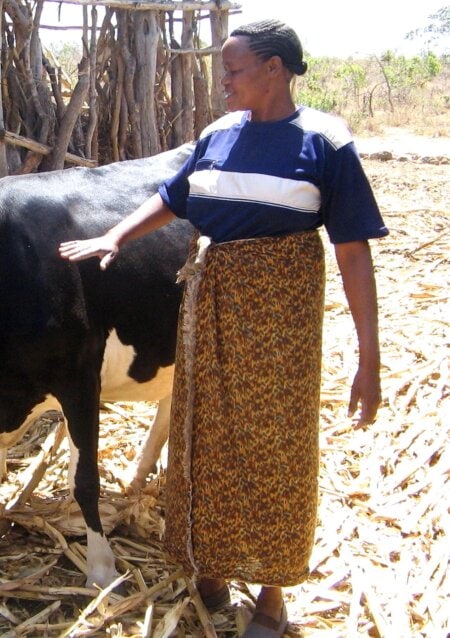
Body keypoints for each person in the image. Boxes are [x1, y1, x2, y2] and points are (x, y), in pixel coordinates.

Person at [59, 19, 387, 638]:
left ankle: (271, 590)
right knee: (201, 440)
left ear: (274, 68)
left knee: (275, 447)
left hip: (280, 322)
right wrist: (115, 236)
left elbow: (352, 251)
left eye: (234, 70)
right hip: (205, 312)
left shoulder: (324, 140)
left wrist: (369, 359)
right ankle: (209, 564)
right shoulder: (217, 135)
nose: (223, 81)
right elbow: (174, 197)